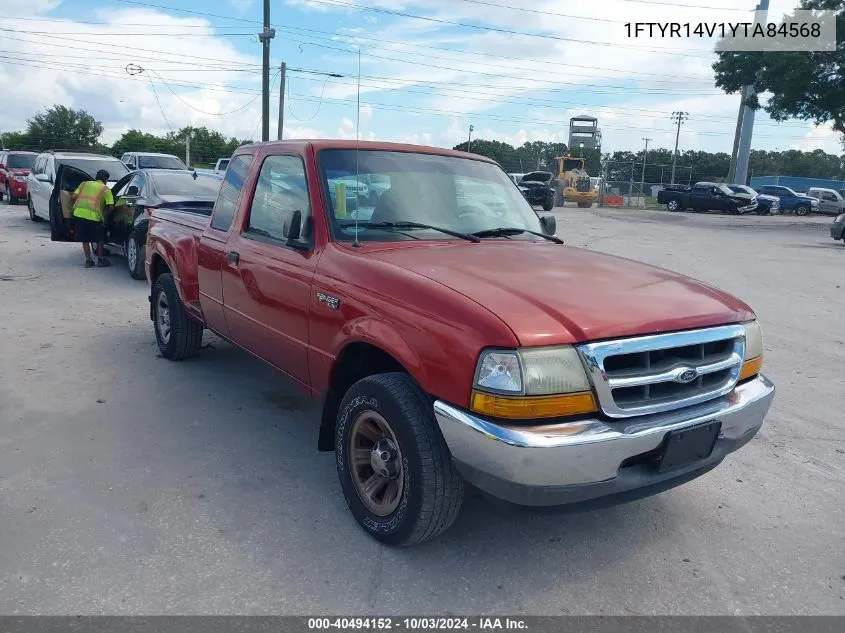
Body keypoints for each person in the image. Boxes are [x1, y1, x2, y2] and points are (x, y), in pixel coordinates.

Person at [71, 170, 114, 268]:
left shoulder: (84, 184)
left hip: (79, 214)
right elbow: (111, 206)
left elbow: (73, 196)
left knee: (85, 239)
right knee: (99, 239)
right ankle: (100, 259)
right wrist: (105, 217)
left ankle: (88, 260)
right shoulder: (105, 189)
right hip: (94, 216)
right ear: (106, 179)